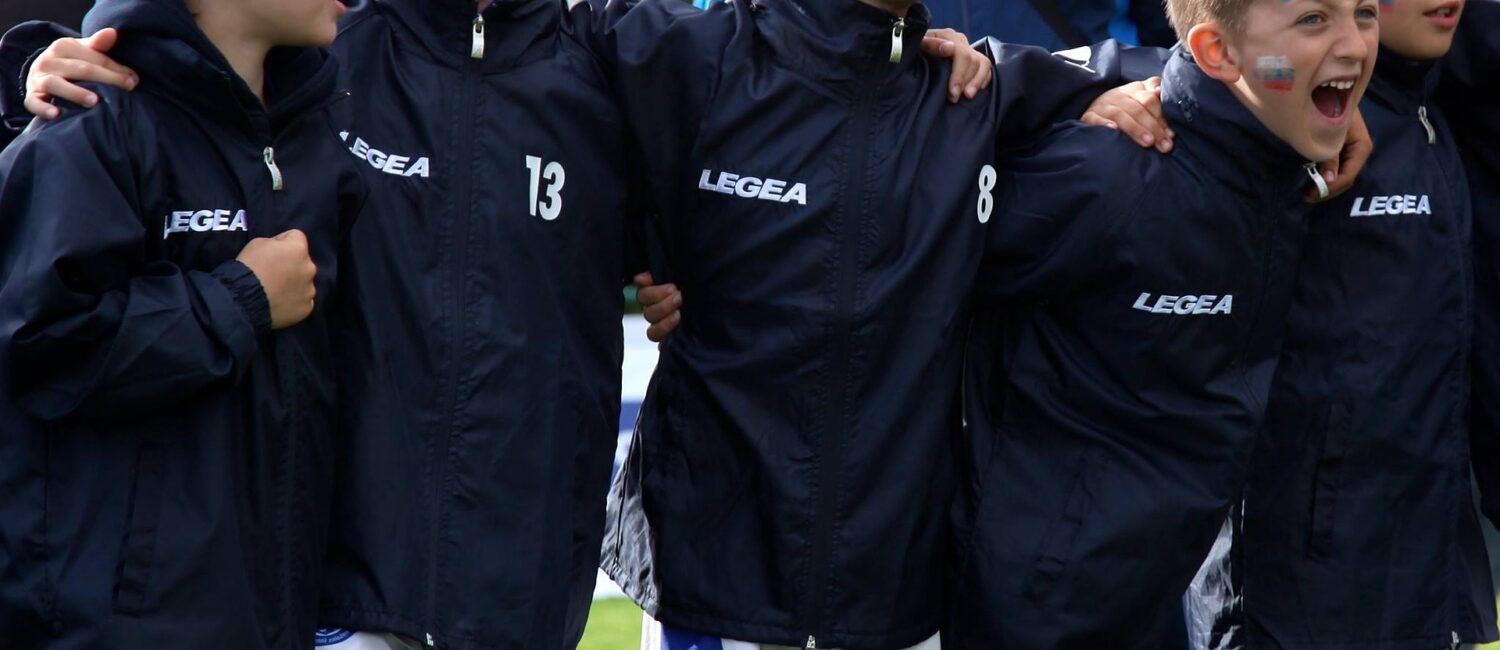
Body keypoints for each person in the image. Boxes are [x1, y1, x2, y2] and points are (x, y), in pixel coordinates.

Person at [0, 2, 1002, 648]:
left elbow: (801, 92)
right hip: (331, 596)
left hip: (524, 600)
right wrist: (43, 66)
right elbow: (178, 95)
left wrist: (930, 53)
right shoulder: (333, 50)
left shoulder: (614, 64)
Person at [578, 1, 1226, 647]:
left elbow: (1231, 61)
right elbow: (528, 70)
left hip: (898, 602)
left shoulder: (972, 89)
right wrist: (647, 250)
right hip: (709, 595)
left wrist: (1314, 139)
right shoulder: (688, 49)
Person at [946, 0, 1381, 646]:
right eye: (1315, 20)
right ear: (1217, 54)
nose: (1352, 45)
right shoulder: (1112, 172)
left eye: (1364, 12)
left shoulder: (1278, 163)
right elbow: (914, 251)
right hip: (1029, 612)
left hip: (1155, 602)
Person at [0, 0, 362, 647]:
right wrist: (243, 299)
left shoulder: (320, 129)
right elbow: (39, 345)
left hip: (272, 610)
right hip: (112, 621)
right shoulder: (91, 121)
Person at [1176, 1, 1500, 648]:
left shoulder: (1434, 104)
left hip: (1430, 578)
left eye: (1361, 15)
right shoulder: (1290, 112)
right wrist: (1108, 82)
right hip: (1291, 595)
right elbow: (1222, 68)